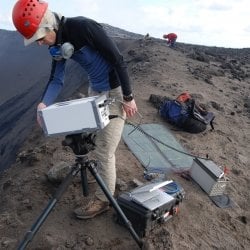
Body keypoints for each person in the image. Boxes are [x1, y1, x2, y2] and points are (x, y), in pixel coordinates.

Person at [12, 0, 138, 220]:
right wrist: (43, 104)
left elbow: (117, 59)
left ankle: (103, 200)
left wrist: (128, 96)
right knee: (91, 136)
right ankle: (96, 174)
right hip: (95, 90)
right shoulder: (56, 45)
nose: (40, 44)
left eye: (40, 38)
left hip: (116, 92)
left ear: (49, 26)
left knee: (104, 150)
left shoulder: (83, 27)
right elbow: (56, 80)